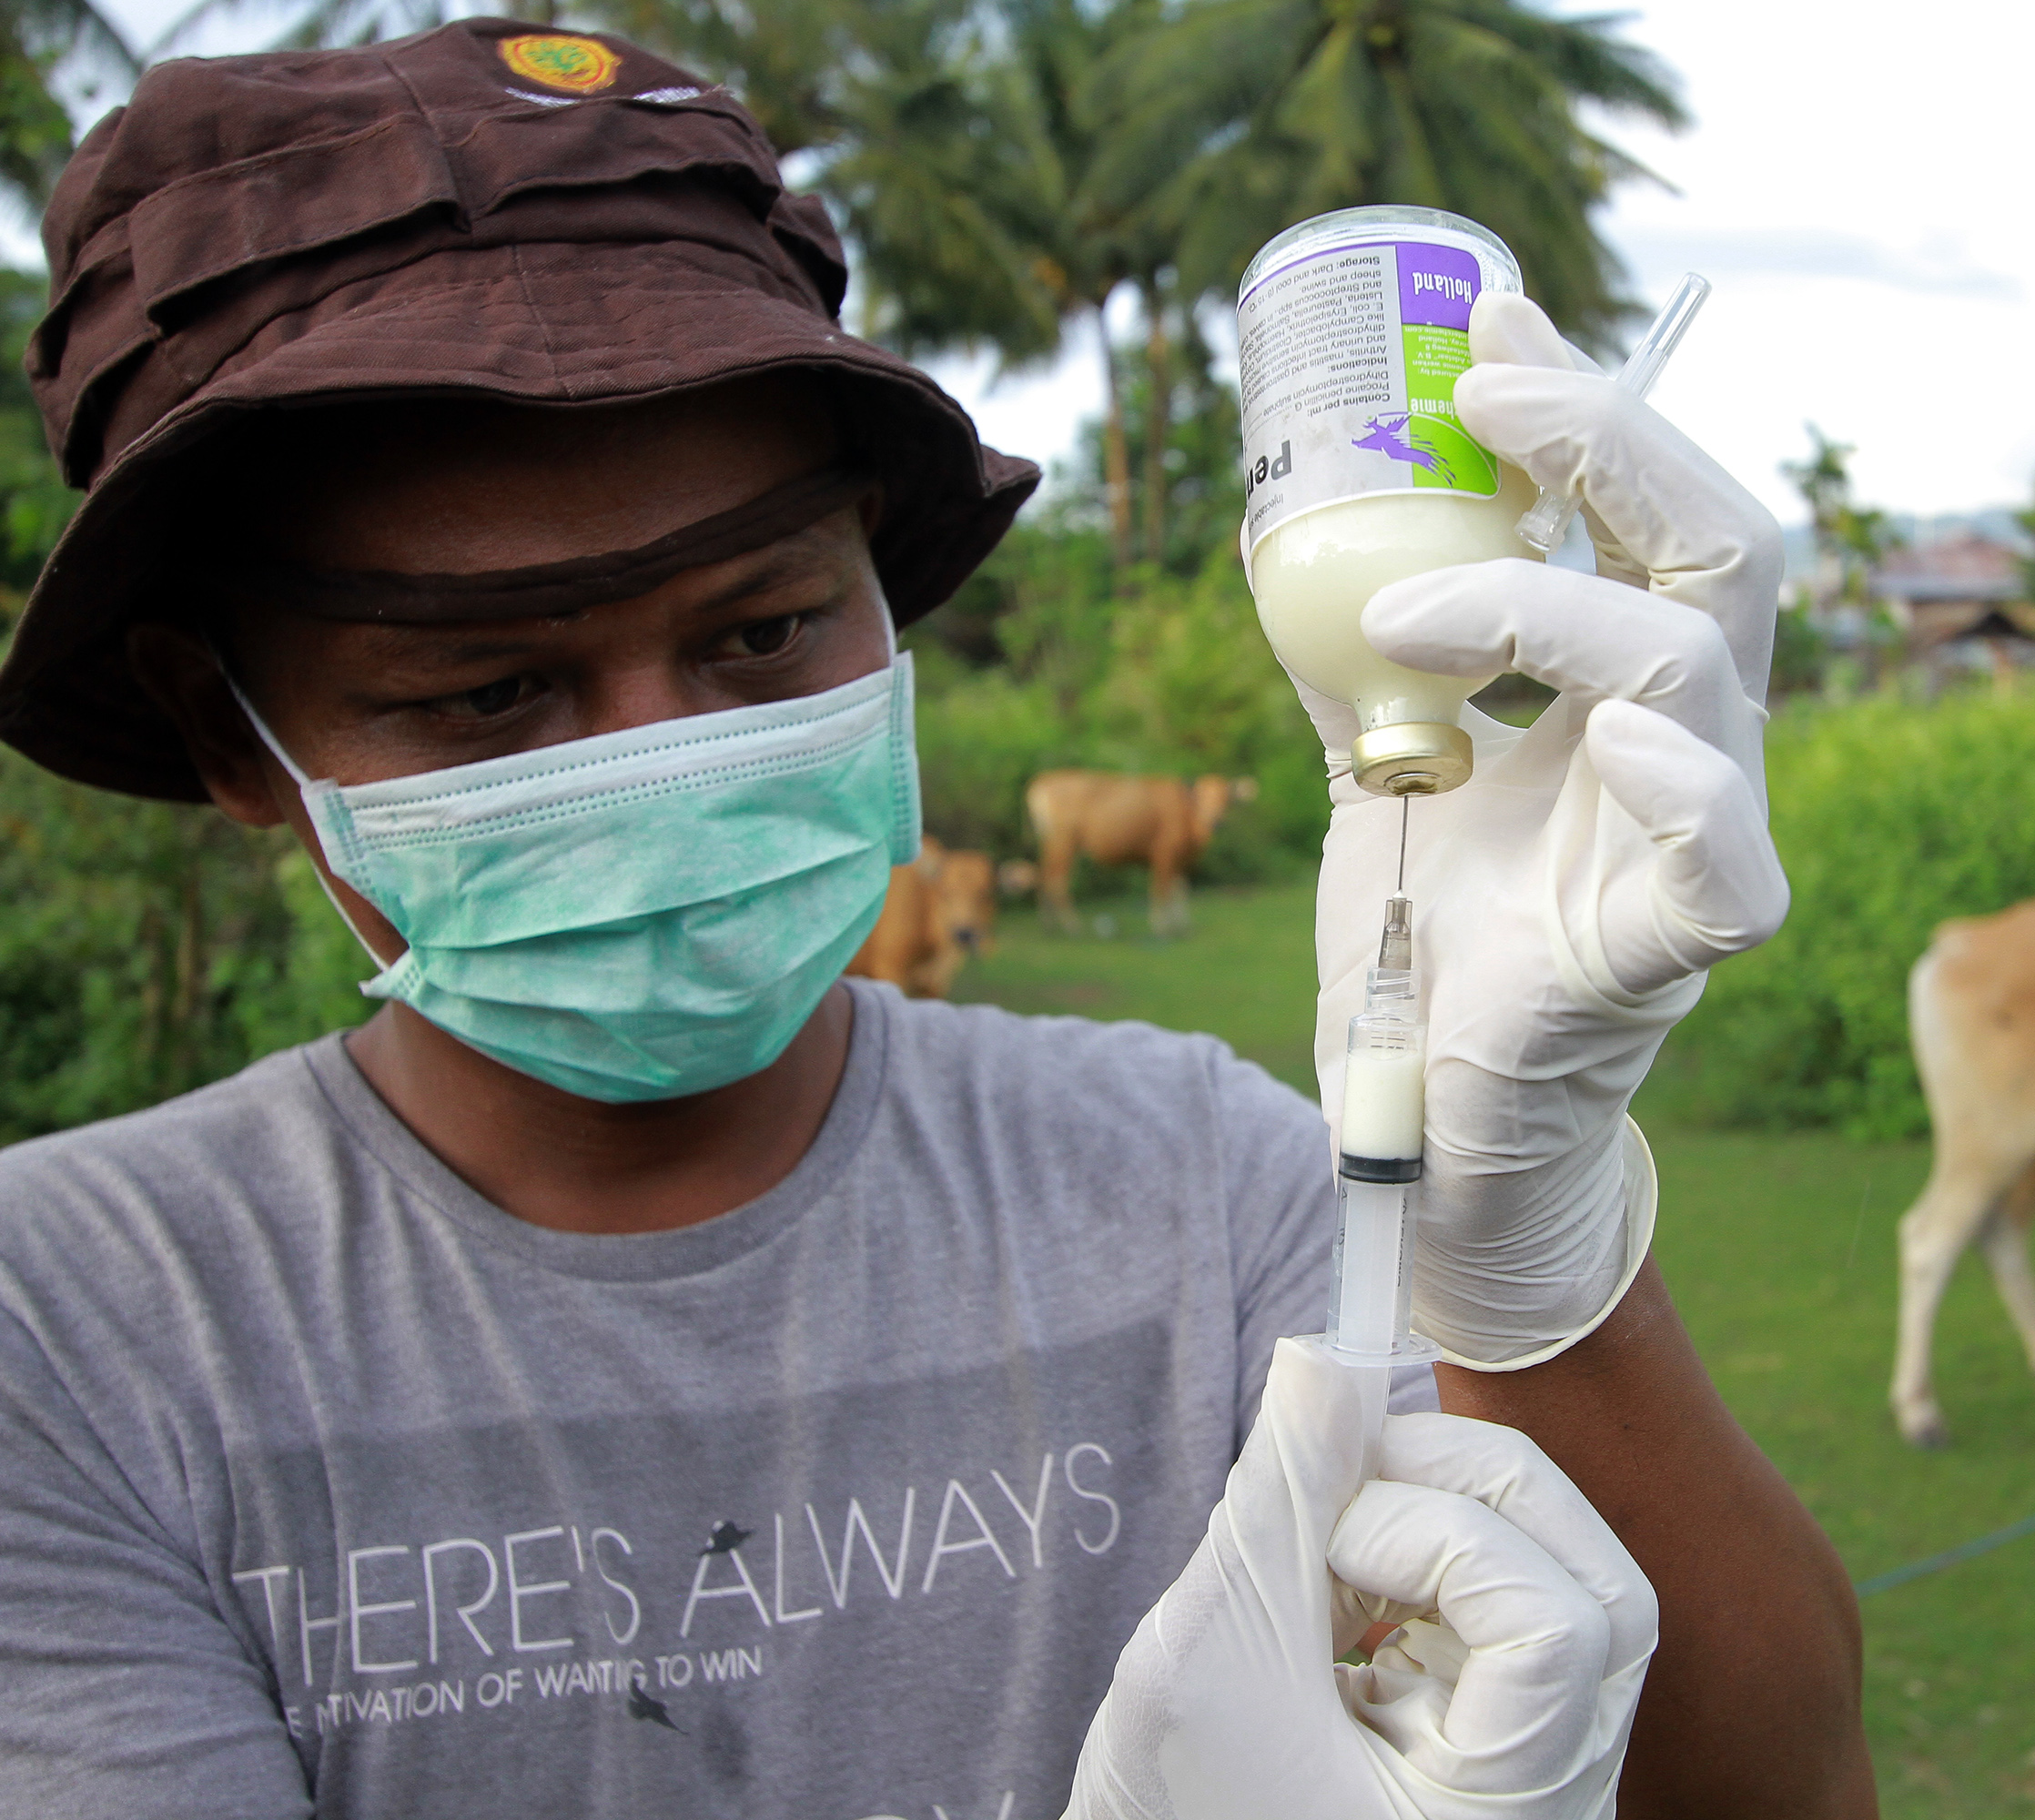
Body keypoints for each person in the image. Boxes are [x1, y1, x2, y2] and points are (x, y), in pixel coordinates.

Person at [0, 19, 1874, 1819]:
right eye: (492, 693)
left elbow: (1750, 1784)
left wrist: (1519, 1249)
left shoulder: (1203, 1186)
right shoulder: (73, 1336)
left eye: (760, 632)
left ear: (880, 604)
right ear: (222, 730)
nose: (672, 757)